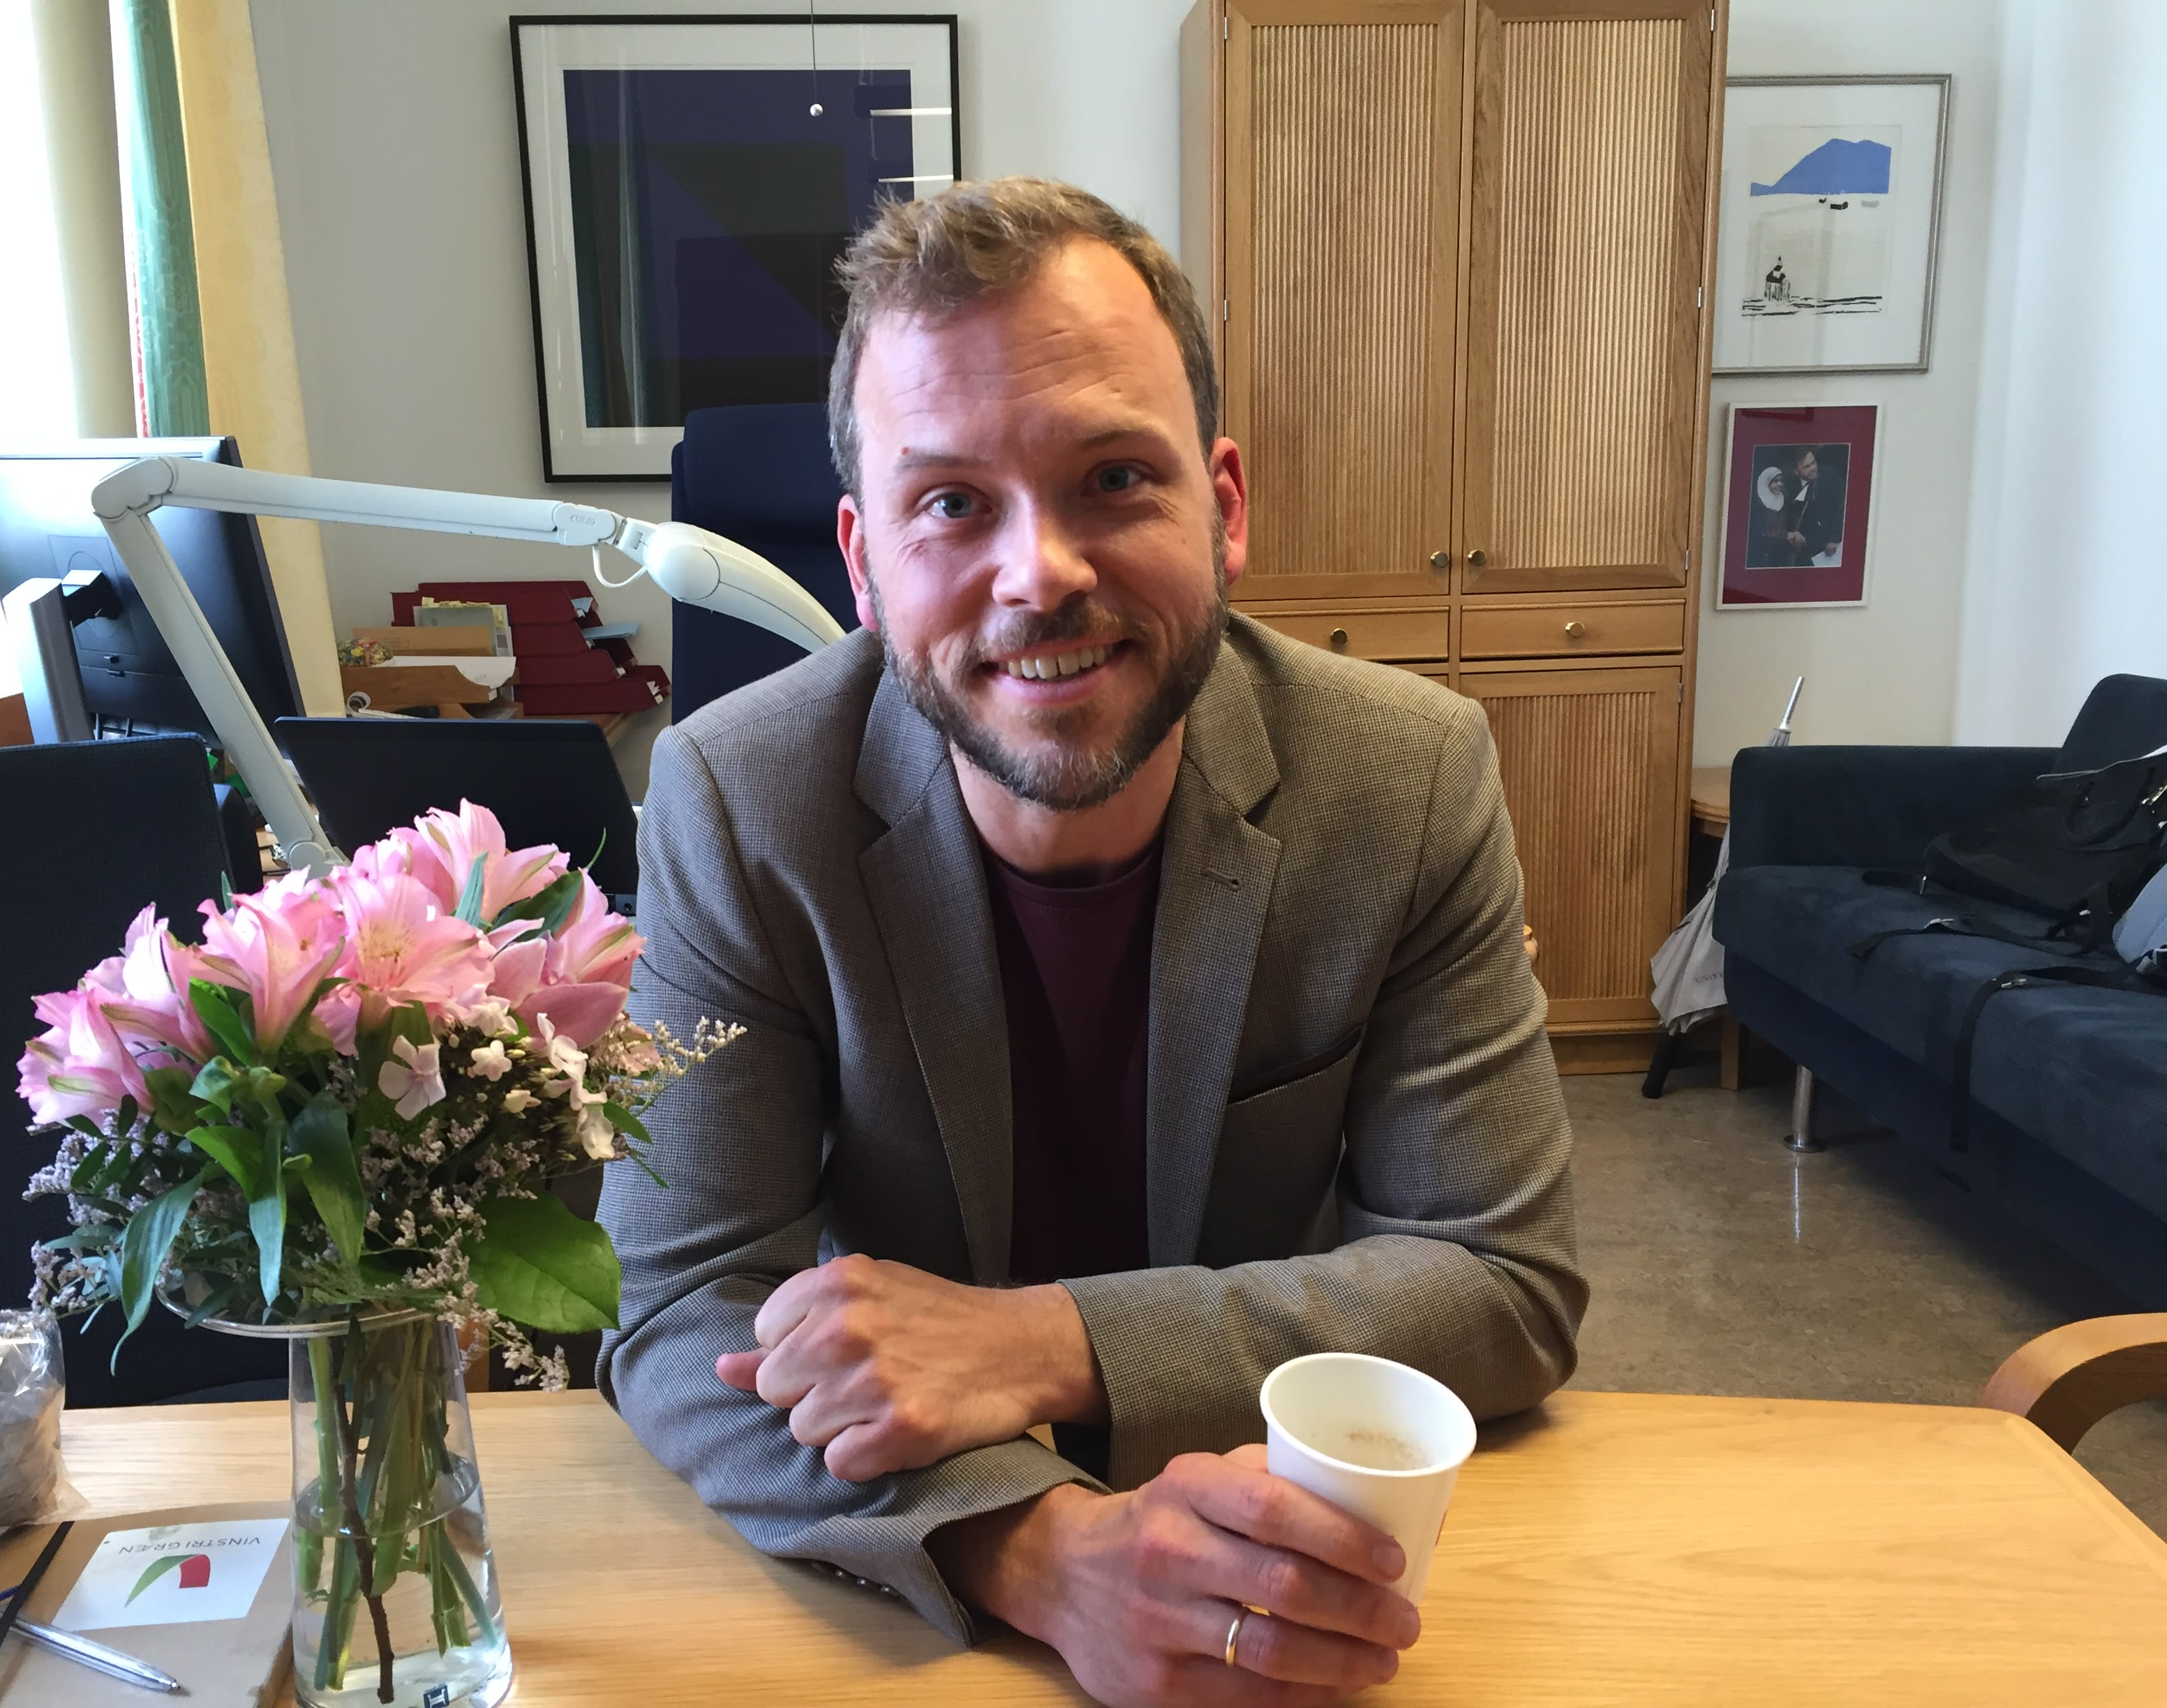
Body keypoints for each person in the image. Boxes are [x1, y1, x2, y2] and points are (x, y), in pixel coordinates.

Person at [598, 177, 1584, 1708]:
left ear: (1224, 506)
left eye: (1114, 477)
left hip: (1294, 1547)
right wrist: (1038, 1548)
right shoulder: (739, 798)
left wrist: (1045, 1341)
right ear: (862, 561)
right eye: (950, 503)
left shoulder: (1406, 779)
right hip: (905, 1593)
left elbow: (1501, 1280)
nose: (1038, 573)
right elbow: (680, 1304)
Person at [1779, 447, 1845, 566]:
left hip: (1834, 541)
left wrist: (1835, 539)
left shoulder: (1830, 474)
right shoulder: (1790, 486)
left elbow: (1842, 506)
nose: (1812, 468)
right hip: (1809, 547)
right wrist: (1795, 537)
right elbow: (1790, 517)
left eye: (1813, 463)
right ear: (1796, 471)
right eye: (1806, 467)